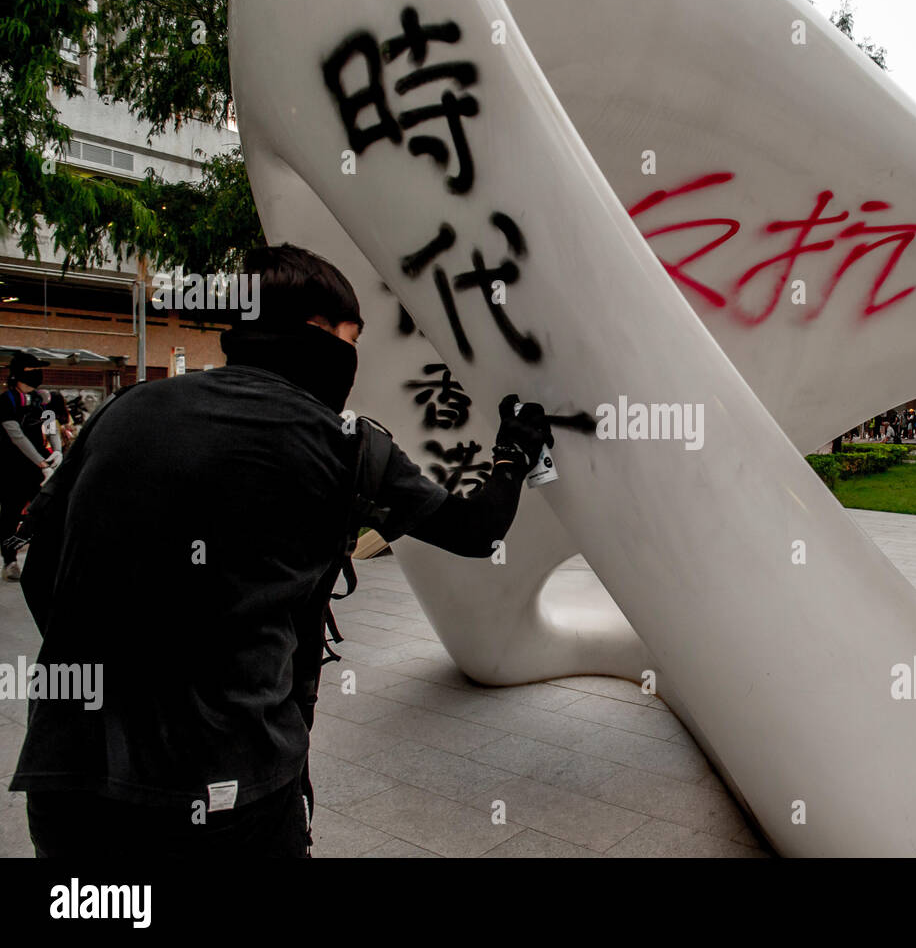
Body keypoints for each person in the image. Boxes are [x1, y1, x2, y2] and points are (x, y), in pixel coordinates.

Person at [9, 244, 555, 858]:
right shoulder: (347, 446)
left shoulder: (123, 411)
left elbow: (39, 568)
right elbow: (475, 531)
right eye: (351, 338)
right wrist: (513, 454)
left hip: (70, 787)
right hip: (230, 792)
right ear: (317, 330)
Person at [0, 352, 56, 580]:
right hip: (12, 469)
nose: (38, 375)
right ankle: (10, 561)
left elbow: (51, 423)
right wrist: (42, 463)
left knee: (49, 510)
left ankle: (47, 558)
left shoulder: (41, 400)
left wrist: (58, 450)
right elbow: (17, 436)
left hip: (40, 467)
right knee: (10, 516)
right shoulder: (6, 401)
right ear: (19, 374)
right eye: (33, 371)